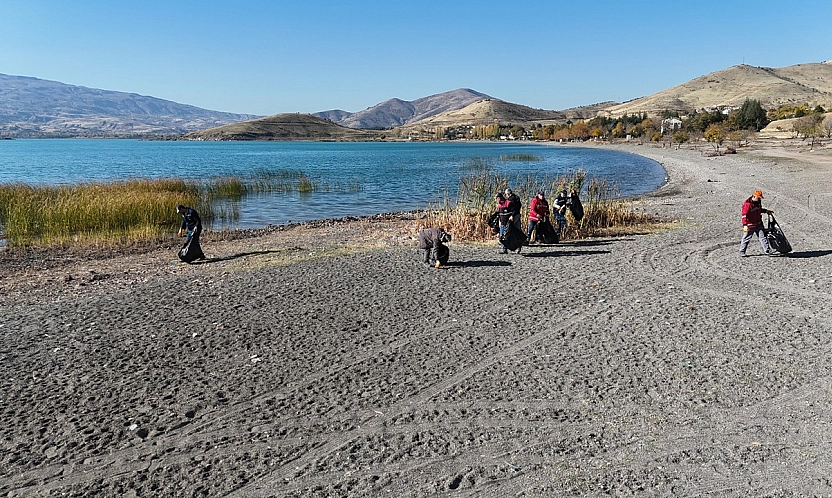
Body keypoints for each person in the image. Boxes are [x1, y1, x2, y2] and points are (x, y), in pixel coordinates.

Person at [740, 190, 775, 257]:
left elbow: (759, 210)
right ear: (754, 196)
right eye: (758, 198)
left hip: (758, 224)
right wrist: (745, 225)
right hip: (750, 226)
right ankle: (742, 251)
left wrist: (766, 211)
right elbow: (744, 215)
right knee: (746, 238)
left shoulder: (758, 202)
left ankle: (767, 250)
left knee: (763, 237)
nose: (759, 199)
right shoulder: (747, 204)